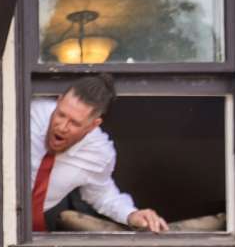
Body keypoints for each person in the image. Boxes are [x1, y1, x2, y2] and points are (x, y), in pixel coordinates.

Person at [27, 75, 167, 234]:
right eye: (61, 114)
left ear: (93, 125)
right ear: (59, 101)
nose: (62, 127)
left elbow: (102, 195)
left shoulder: (99, 153)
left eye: (75, 123)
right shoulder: (29, 114)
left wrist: (131, 214)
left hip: (35, 232)